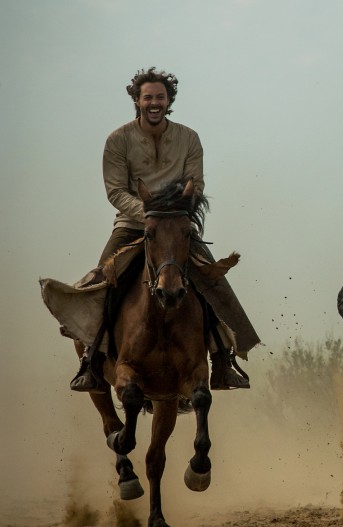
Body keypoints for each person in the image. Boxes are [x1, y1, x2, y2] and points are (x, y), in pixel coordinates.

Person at [71, 67, 259, 392]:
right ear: (137, 100)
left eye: (160, 97)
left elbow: (195, 184)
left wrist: (174, 214)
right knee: (101, 282)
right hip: (132, 226)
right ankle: (91, 359)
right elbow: (115, 191)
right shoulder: (118, 140)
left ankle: (223, 361)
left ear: (168, 100)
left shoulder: (189, 138)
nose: (154, 103)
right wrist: (147, 215)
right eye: (148, 97)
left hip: (176, 225)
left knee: (215, 282)